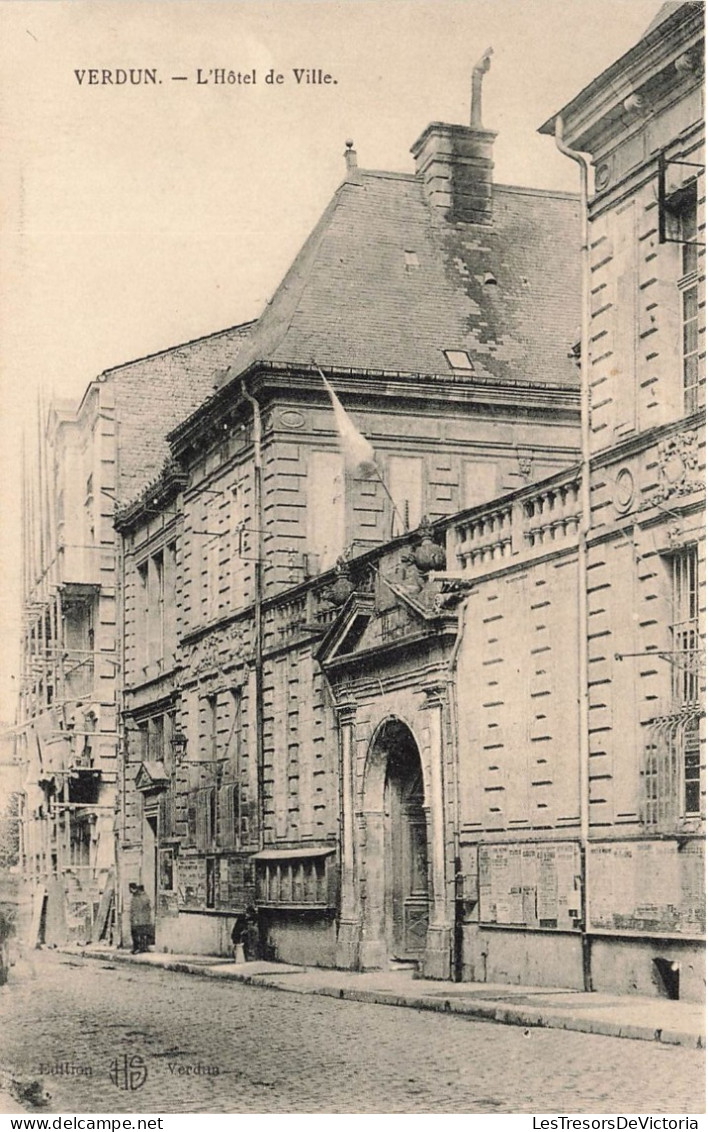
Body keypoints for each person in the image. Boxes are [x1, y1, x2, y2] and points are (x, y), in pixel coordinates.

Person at [129, 883, 153, 953]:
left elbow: (135, 909)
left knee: (136, 934)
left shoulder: (137, 897)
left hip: (137, 920)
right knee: (143, 934)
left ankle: (137, 948)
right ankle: (143, 947)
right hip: (145, 919)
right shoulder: (146, 897)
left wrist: (133, 919)